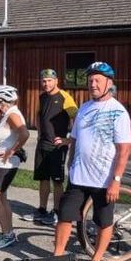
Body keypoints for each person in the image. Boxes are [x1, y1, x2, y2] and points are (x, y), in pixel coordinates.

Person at [52, 61, 131, 261]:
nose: (92, 83)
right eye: (90, 80)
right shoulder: (85, 108)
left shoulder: (118, 112)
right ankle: (57, 256)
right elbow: (76, 139)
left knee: (103, 221)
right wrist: (68, 156)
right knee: (65, 215)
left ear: (109, 82)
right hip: (79, 176)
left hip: (103, 179)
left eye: (97, 80)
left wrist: (116, 180)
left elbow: (124, 149)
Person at [22, 69, 77, 226]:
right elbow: (40, 116)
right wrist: (39, 134)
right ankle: (41, 210)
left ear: (56, 81)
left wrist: (68, 140)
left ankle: (57, 212)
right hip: (43, 144)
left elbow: (78, 119)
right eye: (44, 81)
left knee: (57, 180)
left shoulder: (65, 97)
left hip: (57, 147)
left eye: (49, 80)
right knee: (43, 178)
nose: (46, 83)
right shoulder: (43, 96)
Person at [0, 84, 29, 250]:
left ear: (3, 100)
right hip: (0, 162)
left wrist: (12, 150)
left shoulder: (12, 115)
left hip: (4, 164)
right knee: (2, 197)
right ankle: (8, 231)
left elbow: (24, 133)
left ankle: (8, 234)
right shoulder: (8, 114)